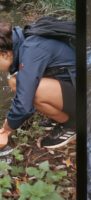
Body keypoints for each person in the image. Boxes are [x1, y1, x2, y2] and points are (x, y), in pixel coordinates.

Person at [0, 20, 76, 149]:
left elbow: (24, 104)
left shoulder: (31, 50)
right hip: (71, 81)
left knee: (33, 92)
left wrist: (6, 130)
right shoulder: (26, 39)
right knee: (15, 81)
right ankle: (59, 116)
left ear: (5, 54)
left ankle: (72, 125)